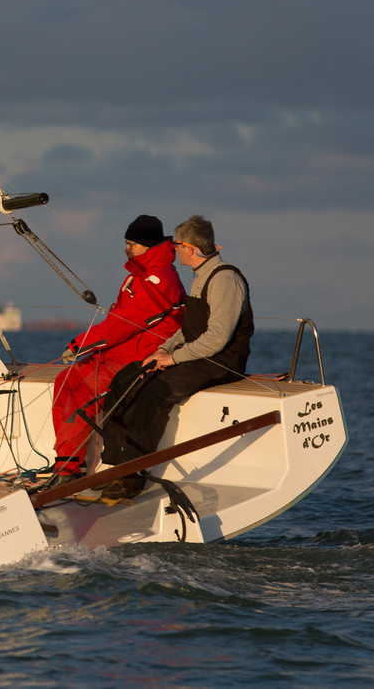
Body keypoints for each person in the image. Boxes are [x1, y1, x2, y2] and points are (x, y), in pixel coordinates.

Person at [91, 214, 254, 503]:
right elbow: (187, 329)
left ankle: (132, 479)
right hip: (195, 355)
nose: (173, 249)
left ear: (190, 249)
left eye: (177, 245)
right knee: (126, 380)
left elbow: (217, 338)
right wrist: (164, 350)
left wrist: (175, 360)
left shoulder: (225, 279)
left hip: (220, 362)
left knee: (156, 392)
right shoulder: (200, 276)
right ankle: (115, 465)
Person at [40, 215, 184, 486]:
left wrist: (81, 343)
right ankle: (70, 463)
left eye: (132, 244)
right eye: (126, 243)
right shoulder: (137, 277)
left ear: (149, 246)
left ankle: (67, 473)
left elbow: (124, 324)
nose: (127, 249)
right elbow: (117, 324)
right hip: (116, 354)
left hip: (137, 360)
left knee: (83, 394)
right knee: (64, 381)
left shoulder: (160, 280)